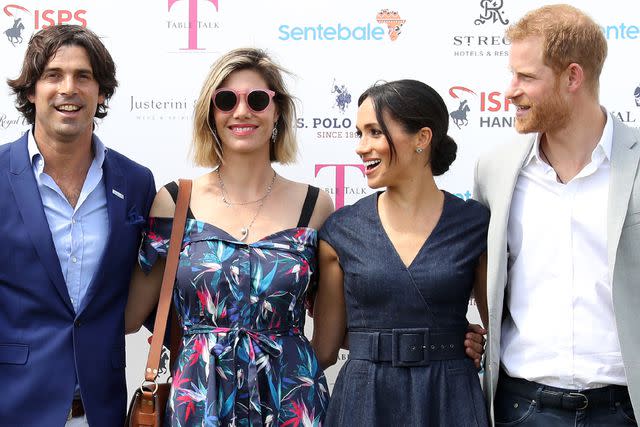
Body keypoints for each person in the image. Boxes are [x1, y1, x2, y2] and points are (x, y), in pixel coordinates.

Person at [125, 47, 334, 426]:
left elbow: (336, 323)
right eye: (226, 100)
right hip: (200, 399)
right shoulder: (174, 201)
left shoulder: (316, 204)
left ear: (278, 112)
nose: (242, 112)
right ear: (211, 115)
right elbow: (131, 314)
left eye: (257, 99)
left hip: (291, 402)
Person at [474, 4, 640, 426]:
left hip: (625, 409)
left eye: (526, 77)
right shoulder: (495, 169)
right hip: (521, 407)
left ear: (572, 77)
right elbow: (477, 271)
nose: (509, 91)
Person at [0, 25, 156, 426]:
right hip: (13, 409)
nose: (68, 88)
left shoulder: (136, 182)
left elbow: (151, 291)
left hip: (100, 411)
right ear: (31, 91)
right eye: (53, 75)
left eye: (83, 76)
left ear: (101, 92)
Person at [312, 79, 490, 426]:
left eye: (375, 132)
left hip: (449, 399)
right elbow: (324, 350)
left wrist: (478, 344)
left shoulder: (475, 224)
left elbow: (501, 331)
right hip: (365, 402)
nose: (362, 147)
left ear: (423, 138)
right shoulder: (341, 230)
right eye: (359, 134)